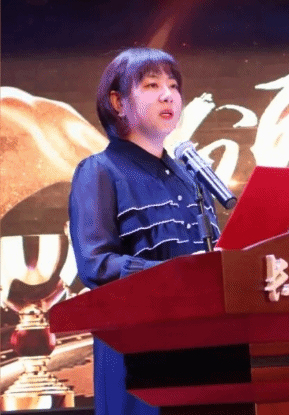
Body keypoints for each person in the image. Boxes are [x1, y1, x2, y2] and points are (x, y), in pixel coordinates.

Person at [68, 48, 220, 415]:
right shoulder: (99, 171)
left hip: (208, 348)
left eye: (173, 86)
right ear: (118, 102)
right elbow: (96, 265)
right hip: (137, 354)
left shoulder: (190, 177)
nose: (168, 95)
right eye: (152, 85)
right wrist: (178, 273)